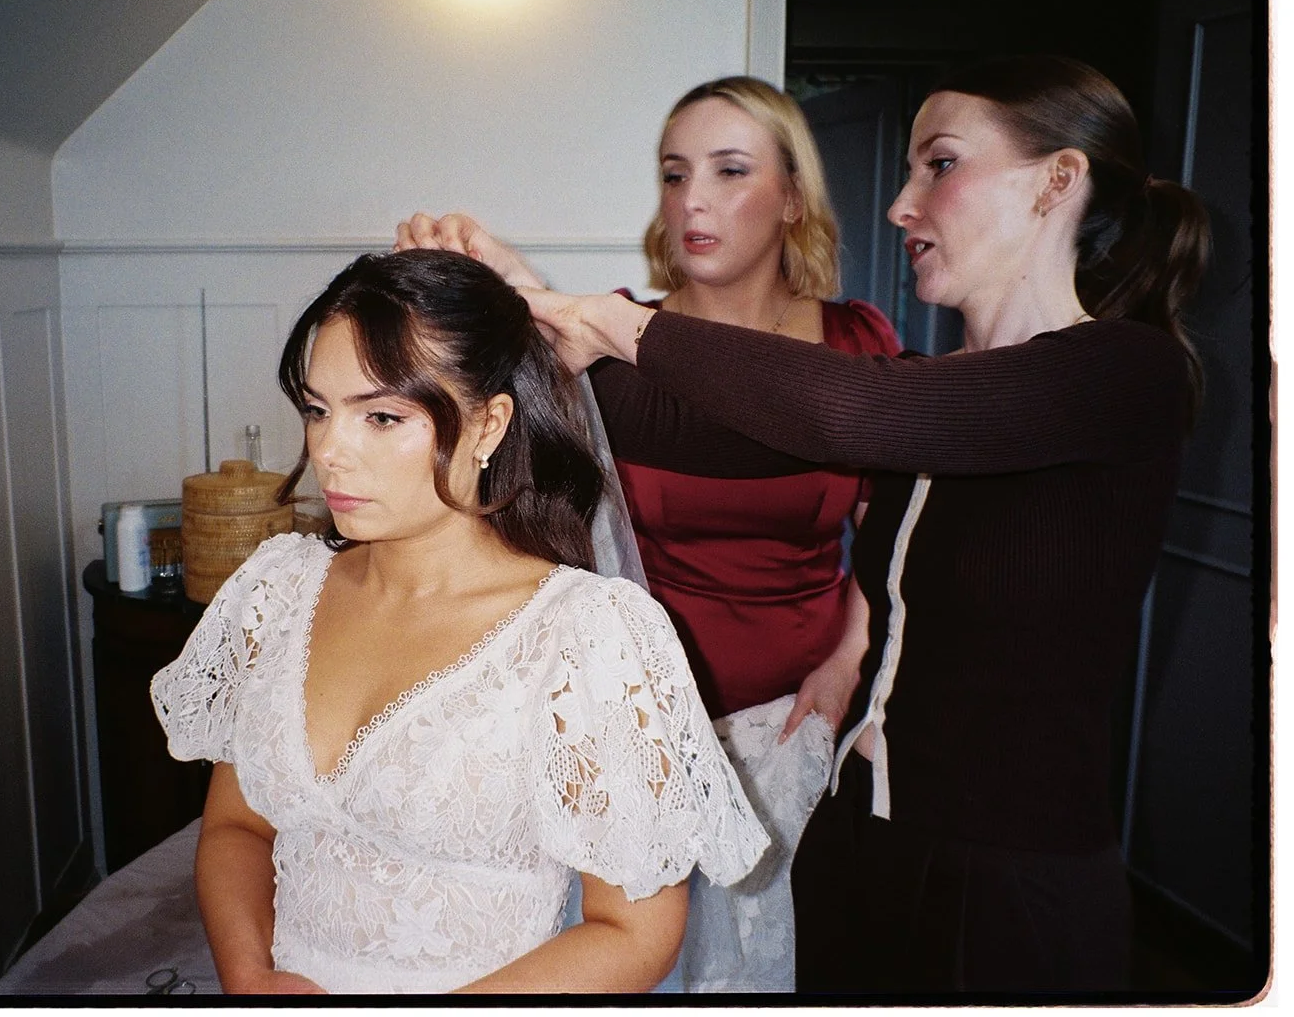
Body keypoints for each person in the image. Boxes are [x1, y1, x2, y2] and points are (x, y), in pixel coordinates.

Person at [513, 55, 1209, 993]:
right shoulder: (932, 386)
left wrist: (614, 323)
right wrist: (518, 311)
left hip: (1007, 881)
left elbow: (849, 410)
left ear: (1057, 181)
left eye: (941, 166)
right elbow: (675, 423)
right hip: (857, 838)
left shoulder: (1124, 375)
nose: (901, 205)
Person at [396, 75, 902, 991]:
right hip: (632, 727)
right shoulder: (609, 342)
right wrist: (511, 295)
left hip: (795, 728)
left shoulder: (856, 343)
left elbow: (894, 537)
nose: (692, 200)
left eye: (728, 170)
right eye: (674, 175)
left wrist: (848, 658)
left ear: (793, 197)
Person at [149, 249, 768, 994]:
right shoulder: (277, 593)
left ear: (488, 424)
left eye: (381, 415)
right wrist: (251, 979)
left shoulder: (588, 637)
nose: (329, 451)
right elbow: (236, 829)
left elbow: (634, 931)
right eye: (319, 409)